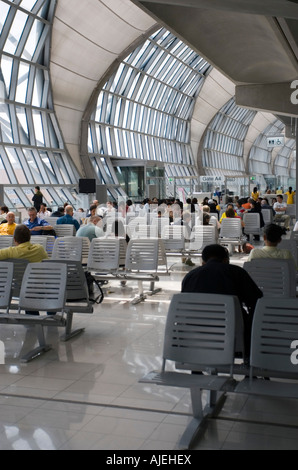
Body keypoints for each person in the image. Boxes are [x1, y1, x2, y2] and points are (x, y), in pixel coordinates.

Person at [181, 244, 263, 359]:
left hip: (195, 334)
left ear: (203, 262)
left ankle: (196, 369)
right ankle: (249, 360)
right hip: (231, 333)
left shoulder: (190, 277)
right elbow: (257, 301)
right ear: (226, 260)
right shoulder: (237, 273)